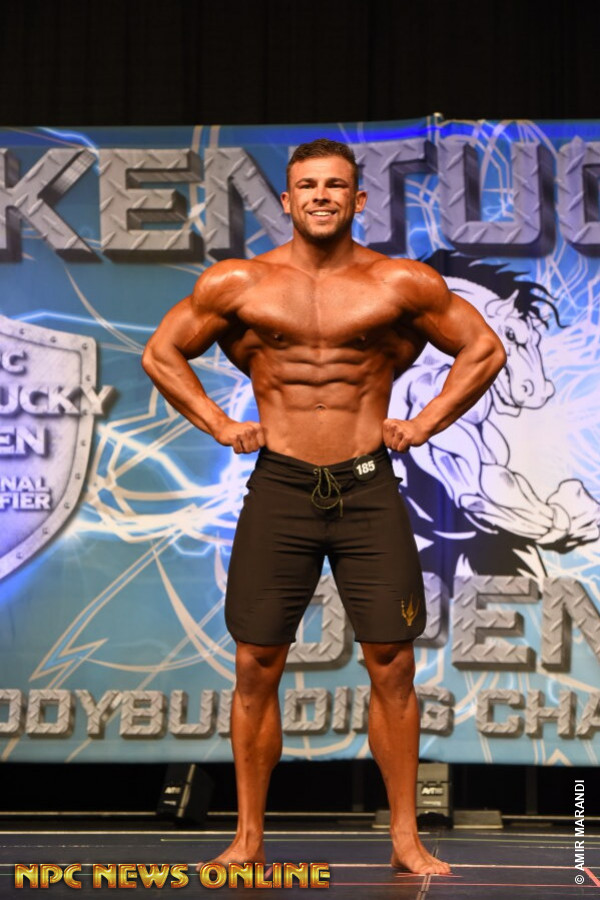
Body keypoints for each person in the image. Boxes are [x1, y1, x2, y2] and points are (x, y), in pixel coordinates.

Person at [142, 138, 506, 876]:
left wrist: (424, 423)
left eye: (335, 185)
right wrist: (220, 424)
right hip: (281, 485)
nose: (320, 196)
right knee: (256, 662)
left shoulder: (399, 282)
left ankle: (405, 839)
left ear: (357, 199)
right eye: (307, 185)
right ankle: (248, 837)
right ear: (287, 199)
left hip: (367, 486)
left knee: (392, 662)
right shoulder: (240, 281)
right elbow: (161, 353)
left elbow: (484, 350)